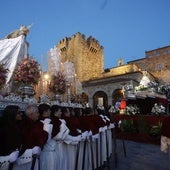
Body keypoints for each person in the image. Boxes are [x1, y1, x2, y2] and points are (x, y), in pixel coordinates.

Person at [0, 105, 22, 170]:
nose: (21, 114)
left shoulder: (17, 125)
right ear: (12, 114)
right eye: (18, 113)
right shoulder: (4, 128)